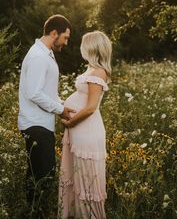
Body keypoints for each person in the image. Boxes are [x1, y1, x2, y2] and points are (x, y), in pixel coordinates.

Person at [18, 14, 75, 217]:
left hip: (41, 124)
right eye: (65, 37)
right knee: (43, 177)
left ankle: (33, 211)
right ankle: (36, 213)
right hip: (36, 125)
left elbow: (45, 92)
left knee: (39, 175)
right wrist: (60, 110)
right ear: (54, 33)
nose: (66, 42)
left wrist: (62, 103)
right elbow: (34, 93)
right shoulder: (37, 57)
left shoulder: (46, 54)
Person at [58, 30, 112, 219]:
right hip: (78, 130)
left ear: (91, 47)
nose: (81, 48)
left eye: (83, 45)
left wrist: (70, 122)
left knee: (86, 178)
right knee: (76, 176)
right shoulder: (91, 69)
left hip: (86, 130)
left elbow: (90, 108)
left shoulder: (99, 72)